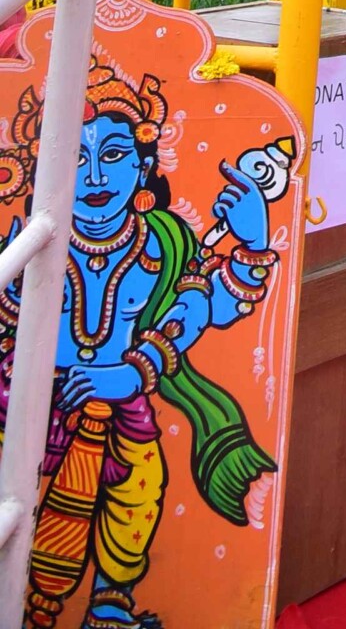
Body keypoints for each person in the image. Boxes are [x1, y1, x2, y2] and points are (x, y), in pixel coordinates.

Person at [0, 63, 280, 629]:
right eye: (74, 157)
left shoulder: (162, 244)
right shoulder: (30, 238)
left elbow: (201, 306)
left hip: (123, 406)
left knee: (137, 492)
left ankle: (110, 600)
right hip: (27, 400)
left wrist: (251, 243)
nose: (94, 176)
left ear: (143, 165)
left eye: (113, 155)